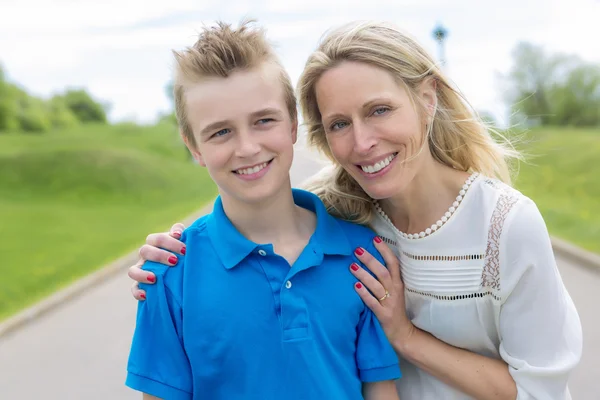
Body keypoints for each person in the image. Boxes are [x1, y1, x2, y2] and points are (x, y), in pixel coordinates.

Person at [128, 20, 583, 400]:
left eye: (380, 110)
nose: (363, 142)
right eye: (340, 124)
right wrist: (167, 259)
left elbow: (538, 390)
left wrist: (405, 336)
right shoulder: (345, 213)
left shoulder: (493, 227)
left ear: (427, 98)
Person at [124, 20, 401, 400]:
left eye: (263, 121)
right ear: (195, 148)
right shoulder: (171, 274)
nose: (247, 147)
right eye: (220, 132)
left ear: (292, 125)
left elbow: (380, 390)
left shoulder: (362, 255)